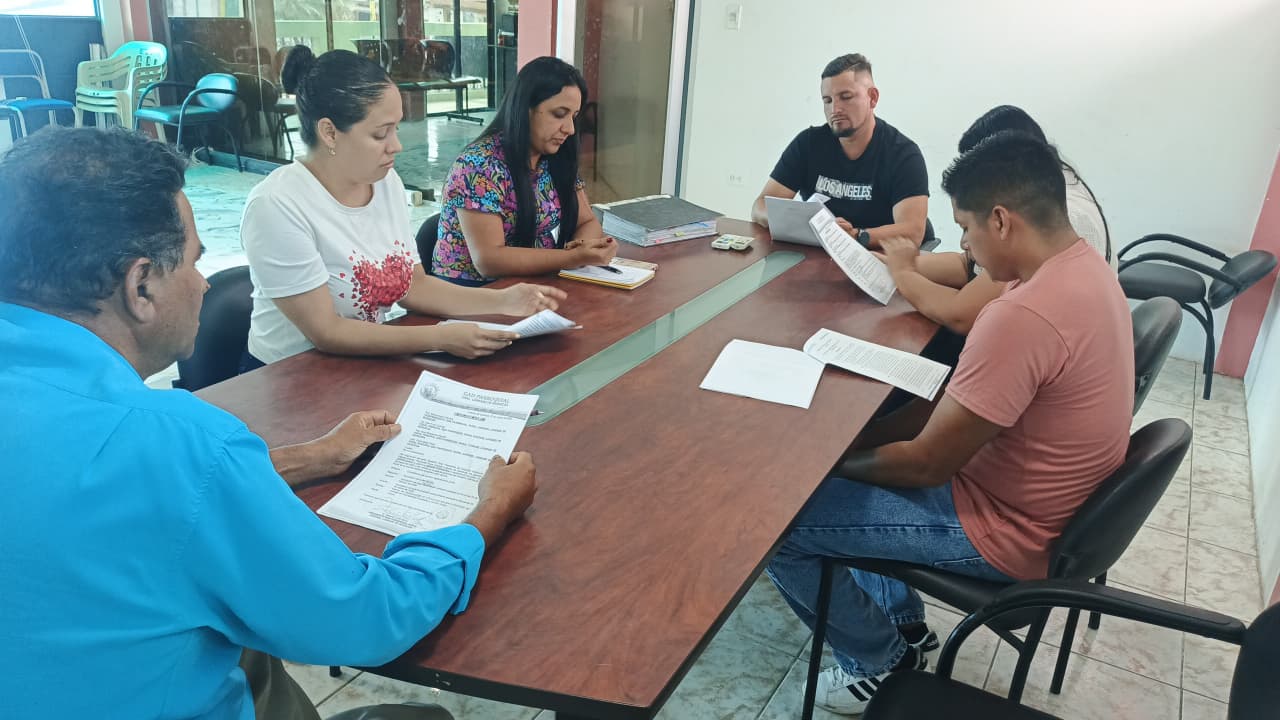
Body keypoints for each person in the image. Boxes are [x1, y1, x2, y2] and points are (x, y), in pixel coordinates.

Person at [0, 127, 539, 719]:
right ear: (141, 285)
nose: (204, 283)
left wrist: (309, 458)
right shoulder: (176, 442)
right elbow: (366, 620)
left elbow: (116, 500)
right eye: (195, 261)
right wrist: (489, 513)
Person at [766, 131, 1134, 715]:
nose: (964, 246)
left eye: (966, 228)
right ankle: (905, 623)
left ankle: (876, 660)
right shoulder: (1084, 268)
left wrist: (822, 465)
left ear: (1001, 221)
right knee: (852, 471)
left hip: (1007, 530)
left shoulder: (1022, 314)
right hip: (1045, 513)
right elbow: (950, 406)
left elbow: (925, 464)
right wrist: (853, 447)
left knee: (778, 522)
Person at [240, 46, 566, 369]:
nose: (396, 145)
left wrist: (505, 300)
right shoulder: (277, 205)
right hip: (289, 375)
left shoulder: (385, 182)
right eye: (381, 133)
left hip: (362, 363)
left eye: (396, 128)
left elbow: (413, 286)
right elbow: (327, 332)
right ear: (329, 132)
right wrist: (440, 338)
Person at [882, 105, 1113, 335]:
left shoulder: (1053, 220)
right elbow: (969, 265)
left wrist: (904, 274)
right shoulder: (1053, 188)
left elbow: (962, 315)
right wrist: (891, 262)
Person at [430, 56, 617, 285]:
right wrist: (571, 258)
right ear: (525, 109)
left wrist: (583, 249)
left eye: (574, 117)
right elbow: (489, 260)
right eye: (559, 114)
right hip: (475, 291)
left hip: (534, 282)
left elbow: (587, 222)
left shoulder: (553, 157)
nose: (569, 129)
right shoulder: (479, 165)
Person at [751, 53, 932, 249]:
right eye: (827, 100)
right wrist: (802, 225)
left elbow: (912, 232)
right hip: (821, 254)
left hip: (878, 254)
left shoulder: (903, 154)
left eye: (846, 97)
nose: (835, 109)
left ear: (872, 98)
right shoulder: (808, 144)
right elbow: (760, 207)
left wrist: (856, 235)